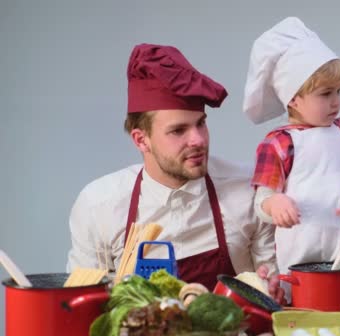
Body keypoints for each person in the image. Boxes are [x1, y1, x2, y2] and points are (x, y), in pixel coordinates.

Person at [66, 43, 282, 300]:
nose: (198, 140)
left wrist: (275, 290)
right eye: (178, 131)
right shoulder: (100, 206)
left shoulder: (247, 189)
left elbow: (274, 287)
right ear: (140, 140)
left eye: (201, 124)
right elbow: (82, 304)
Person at [242, 17, 340, 275]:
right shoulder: (277, 142)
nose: (336, 102)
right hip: (301, 250)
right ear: (294, 98)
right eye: (325, 94)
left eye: (339, 92)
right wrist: (275, 204)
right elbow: (261, 200)